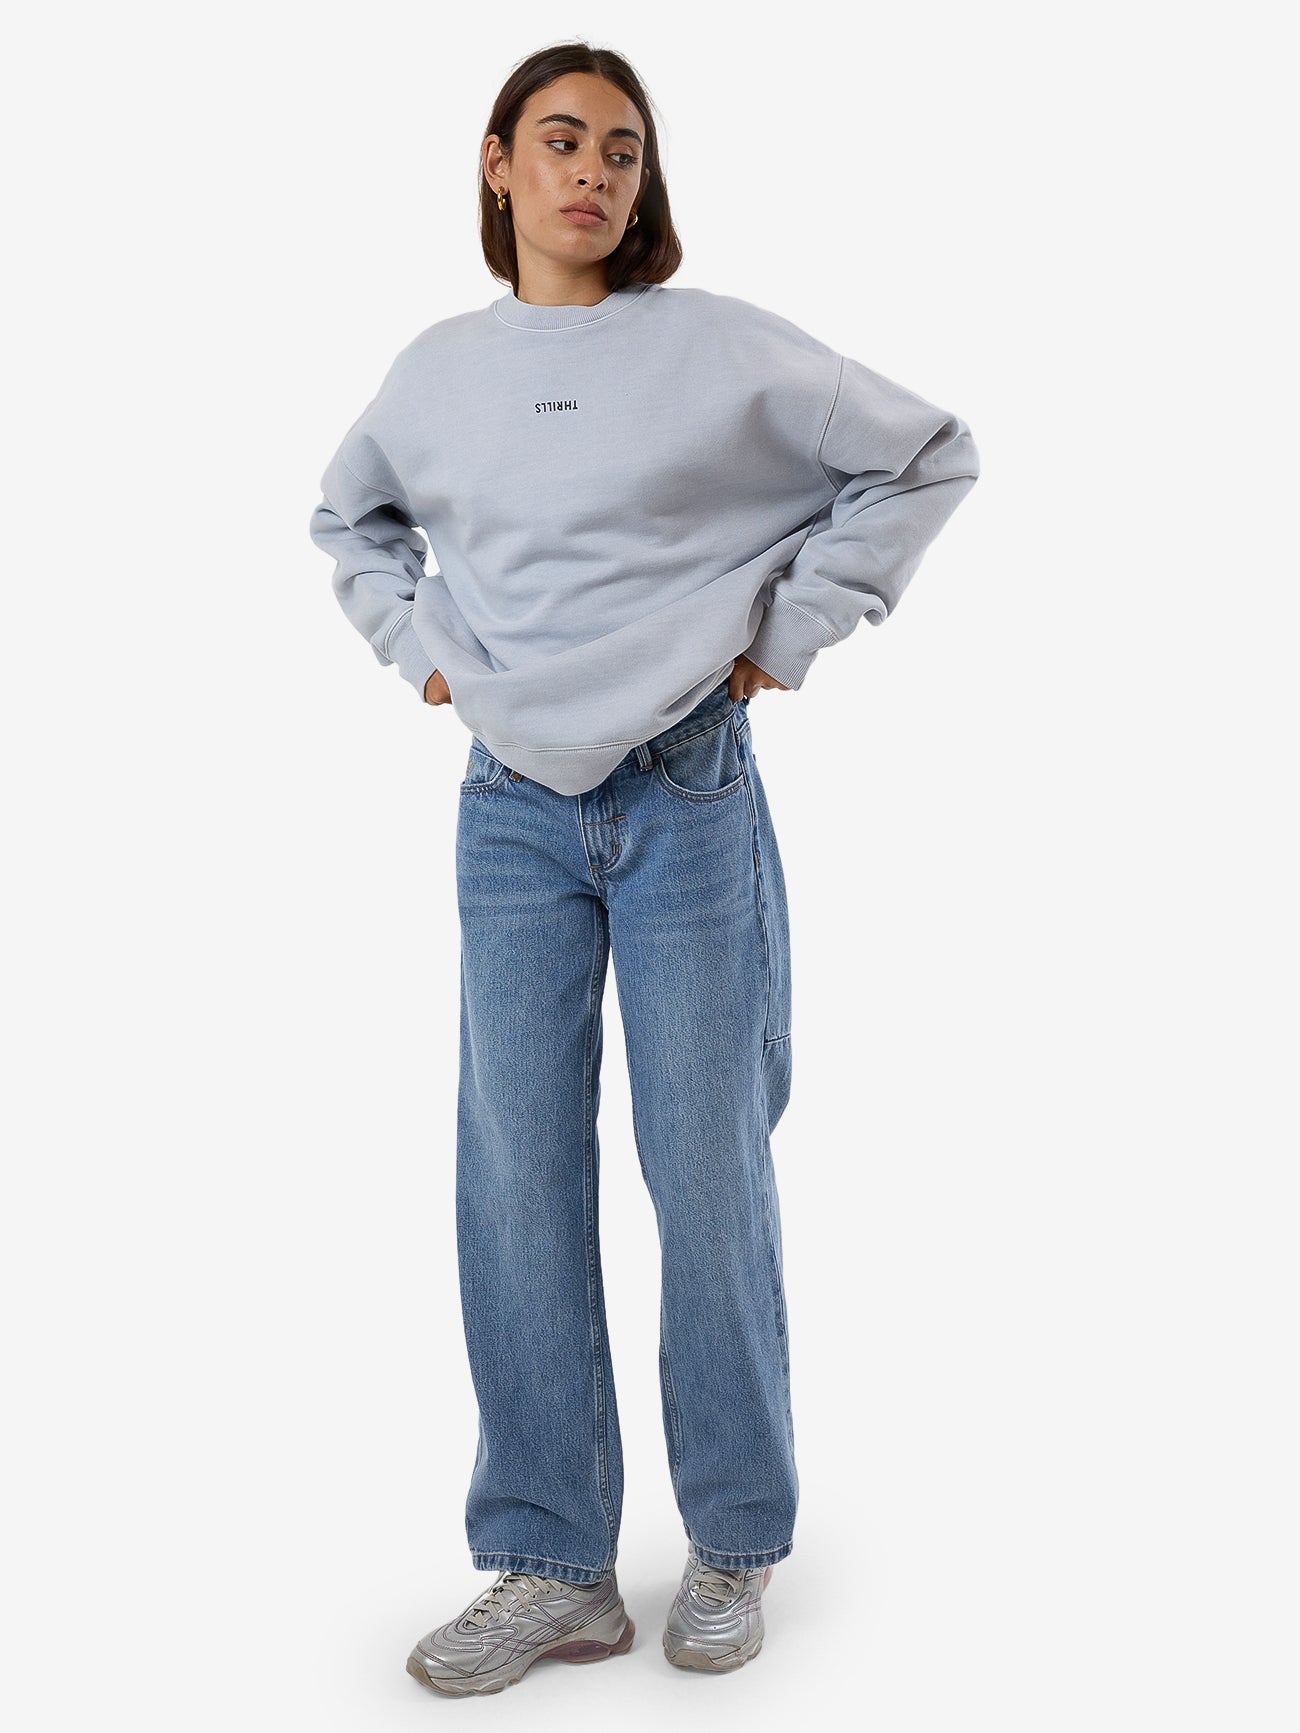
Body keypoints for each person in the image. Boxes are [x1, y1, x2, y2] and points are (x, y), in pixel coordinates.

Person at [308, 40, 979, 1696]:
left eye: (621, 149)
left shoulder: (717, 344)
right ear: (497, 164)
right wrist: (425, 654)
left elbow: (927, 454)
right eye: (561, 141)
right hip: (510, 812)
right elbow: (349, 523)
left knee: (707, 1166)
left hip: (686, 791)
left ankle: (735, 1535)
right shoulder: (437, 372)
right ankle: (553, 1565)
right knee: (517, 1180)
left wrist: (783, 639)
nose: (594, 173)